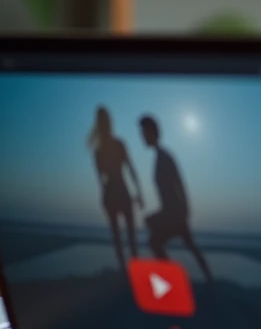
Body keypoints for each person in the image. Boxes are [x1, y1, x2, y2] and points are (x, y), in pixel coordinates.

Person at [139, 114, 213, 282]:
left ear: (151, 133)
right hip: (172, 211)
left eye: (144, 133)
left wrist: (184, 210)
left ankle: (175, 279)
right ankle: (208, 280)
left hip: (174, 213)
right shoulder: (160, 156)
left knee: (156, 242)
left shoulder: (164, 157)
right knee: (188, 245)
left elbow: (178, 183)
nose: (142, 137)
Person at [88, 106, 144, 270]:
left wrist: (138, 192)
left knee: (119, 236)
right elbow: (130, 169)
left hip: (111, 192)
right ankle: (131, 268)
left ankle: (125, 268)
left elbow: (101, 179)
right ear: (110, 123)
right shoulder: (115, 145)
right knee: (129, 235)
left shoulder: (99, 150)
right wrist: (139, 192)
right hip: (119, 190)